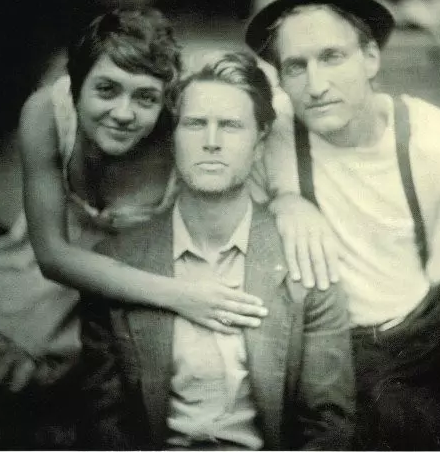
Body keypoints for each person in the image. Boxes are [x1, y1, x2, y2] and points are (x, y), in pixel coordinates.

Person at [0, 8, 336, 447]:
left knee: (148, 371)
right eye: (106, 90)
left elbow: (270, 100)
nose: (123, 113)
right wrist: (181, 295)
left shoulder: (182, 116)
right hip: (62, 269)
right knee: (15, 380)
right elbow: (52, 256)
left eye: (145, 98)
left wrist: (288, 195)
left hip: (141, 258)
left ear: (166, 100)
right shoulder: (45, 113)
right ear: (76, 84)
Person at [245, 0, 440, 450]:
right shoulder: (269, 139)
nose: (316, 84)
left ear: (371, 58)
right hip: (351, 349)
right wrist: (284, 201)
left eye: (332, 57)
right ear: (281, 79)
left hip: (430, 317)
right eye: (296, 66)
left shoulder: (427, 133)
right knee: (396, 418)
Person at [79, 52, 355, 450]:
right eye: (195, 124)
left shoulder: (304, 259)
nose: (211, 142)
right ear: (172, 139)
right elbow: (103, 425)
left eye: (230, 126)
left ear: (259, 144)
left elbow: (328, 424)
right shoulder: (115, 262)